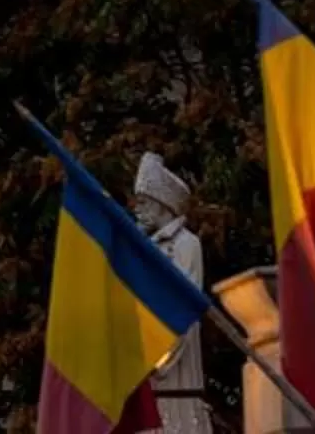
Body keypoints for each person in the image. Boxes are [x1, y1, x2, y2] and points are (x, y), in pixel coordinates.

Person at [135, 153, 214, 434]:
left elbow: (185, 304)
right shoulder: (143, 248)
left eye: (143, 202)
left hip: (172, 354)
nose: (138, 210)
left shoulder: (186, 244)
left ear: (162, 205)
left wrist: (159, 353)